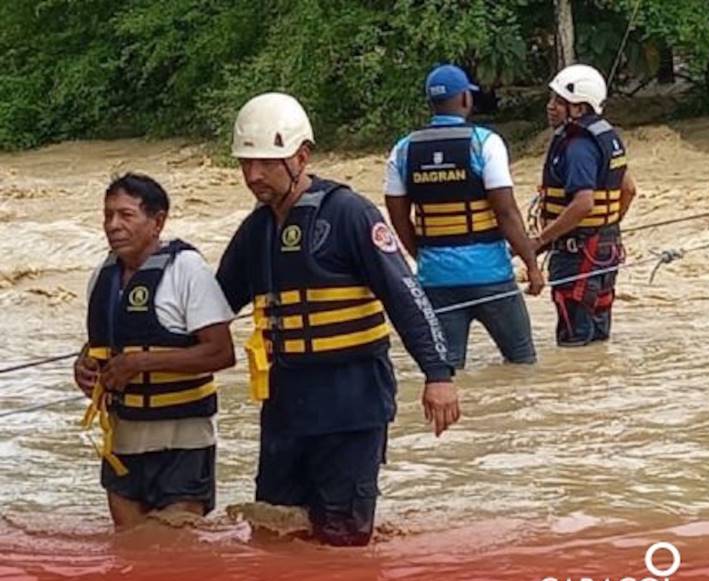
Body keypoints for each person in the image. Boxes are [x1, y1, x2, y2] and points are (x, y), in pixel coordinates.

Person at [216, 92, 461, 547]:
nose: (253, 175)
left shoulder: (349, 214)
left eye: (266, 163)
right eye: (245, 164)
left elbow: (405, 295)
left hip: (351, 406)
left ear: (301, 157)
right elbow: (213, 307)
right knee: (273, 535)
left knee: (343, 543)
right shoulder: (257, 230)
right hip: (285, 409)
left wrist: (438, 374)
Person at [73, 173, 235, 528]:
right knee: (130, 552)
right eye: (108, 215)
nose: (113, 226)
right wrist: (83, 364)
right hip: (124, 445)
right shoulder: (102, 276)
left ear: (157, 221)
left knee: (176, 553)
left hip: (182, 443)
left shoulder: (187, 269)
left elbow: (221, 352)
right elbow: (105, 341)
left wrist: (142, 363)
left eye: (126, 215)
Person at [384, 64, 543, 370]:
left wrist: (424, 255)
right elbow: (506, 212)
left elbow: (398, 217)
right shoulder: (485, 143)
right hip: (492, 278)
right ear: (466, 100)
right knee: (523, 365)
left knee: (447, 372)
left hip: (436, 281)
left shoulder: (402, 150)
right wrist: (532, 265)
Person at [531, 64, 637, 347]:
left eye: (559, 102)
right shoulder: (606, 137)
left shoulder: (577, 146)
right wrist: (608, 227)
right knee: (597, 338)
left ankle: (575, 390)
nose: (550, 107)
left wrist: (540, 240)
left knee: (574, 342)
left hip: (577, 254)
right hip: (606, 248)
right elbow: (628, 189)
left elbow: (583, 204)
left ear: (578, 109)